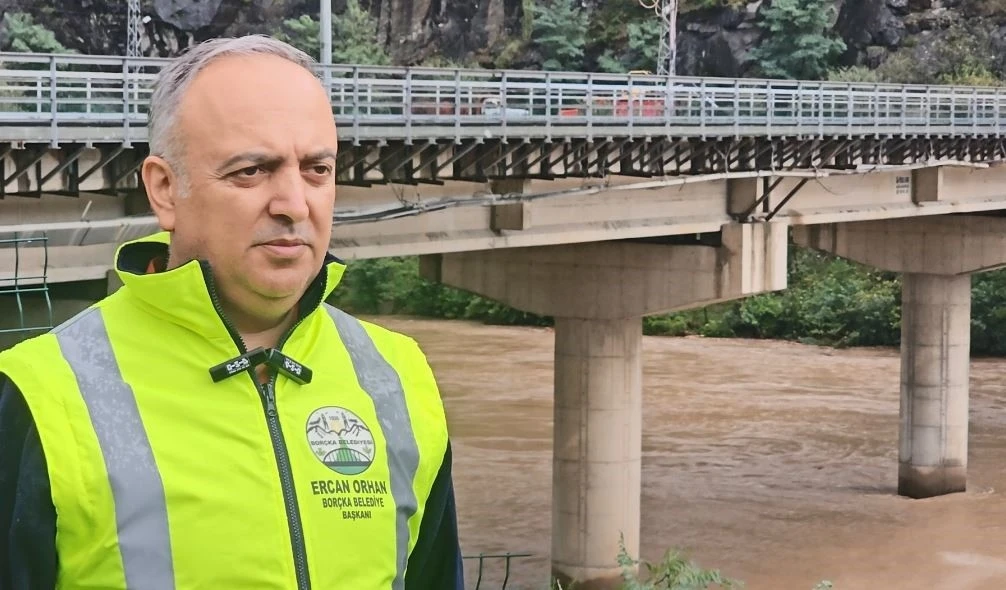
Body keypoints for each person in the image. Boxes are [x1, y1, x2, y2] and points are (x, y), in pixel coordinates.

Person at [0, 35, 464, 590]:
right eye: (251, 171)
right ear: (165, 189)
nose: (295, 204)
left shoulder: (398, 378)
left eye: (317, 169)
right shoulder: (39, 395)